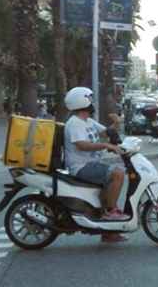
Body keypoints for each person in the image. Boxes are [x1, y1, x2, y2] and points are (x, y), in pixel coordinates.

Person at [63, 87, 129, 243]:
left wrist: (116, 123)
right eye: (90, 100)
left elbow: (106, 133)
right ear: (82, 101)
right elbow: (81, 145)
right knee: (117, 173)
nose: (92, 103)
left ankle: (108, 231)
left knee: (110, 180)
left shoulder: (87, 121)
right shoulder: (75, 123)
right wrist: (106, 146)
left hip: (91, 164)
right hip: (81, 167)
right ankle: (111, 212)